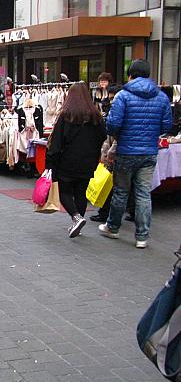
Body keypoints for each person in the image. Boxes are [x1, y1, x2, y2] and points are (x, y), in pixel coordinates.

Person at [99, 60, 172, 248]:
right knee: (143, 194)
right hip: (149, 151)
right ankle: (142, 236)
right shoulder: (161, 96)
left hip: (126, 151)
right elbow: (166, 126)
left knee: (121, 191)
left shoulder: (123, 96)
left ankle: (113, 227)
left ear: (130, 75)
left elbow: (113, 124)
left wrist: (121, 135)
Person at [46, 82, 107, 238]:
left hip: (68, 161)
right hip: (88, 161)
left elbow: (56, 142)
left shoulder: (66, 115)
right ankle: (77, 221)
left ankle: (76, 217)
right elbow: (103, 136)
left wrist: (51, 162)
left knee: (64, 191)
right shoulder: (96, 116)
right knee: (81, 192)